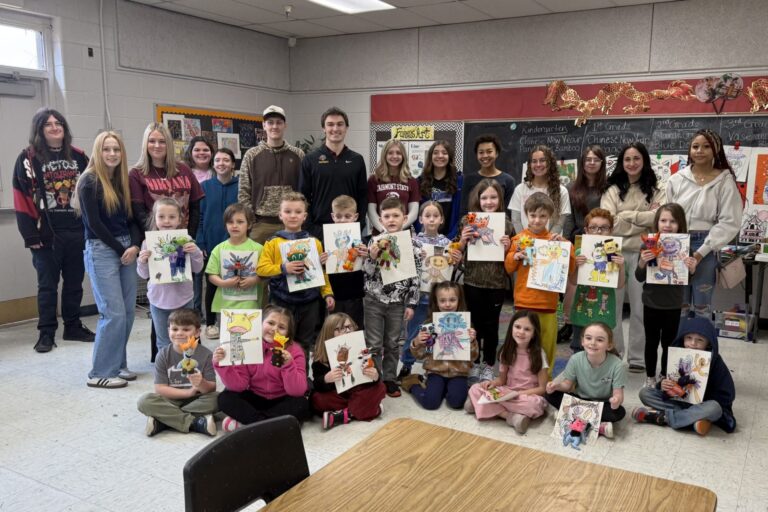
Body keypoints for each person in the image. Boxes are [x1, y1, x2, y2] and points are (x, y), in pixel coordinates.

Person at [13, 107, 95, 352]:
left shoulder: (80, 156)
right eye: (48, 124)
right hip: (45, 235)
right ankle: (46, 333)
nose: (54, 127)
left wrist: (91, 230)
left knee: (74, 284)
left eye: (58, 123)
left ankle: (73, 326)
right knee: (47, 287)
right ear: (39, 129)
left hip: (77, 232)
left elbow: (91, 194)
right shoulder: (27, 158)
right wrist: (30, 235)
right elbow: (21, 197)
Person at [75, 131, 141, 387]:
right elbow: (94, 223)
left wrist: (134, 245)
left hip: (126, 247)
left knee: (127, 312)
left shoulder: (122, 180)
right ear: (98, 152)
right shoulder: (89, 181)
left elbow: (131, 219)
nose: (112, 154)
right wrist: (121, 249)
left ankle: (117, 364)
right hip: (102, 248)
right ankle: (100, 373)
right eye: (106, 149)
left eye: (116, 149)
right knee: (113, 313)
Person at [601, 142, 666, 373]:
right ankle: (614, 352)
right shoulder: (611, 189)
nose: (632, 163)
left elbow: (659, 219)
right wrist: (643, 219)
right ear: (622, 162)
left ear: (644, 160)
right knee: (612, 307)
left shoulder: (657, 188)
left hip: (644, 253)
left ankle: (637, 357)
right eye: (627, 159)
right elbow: (608, 222)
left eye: (636, 158)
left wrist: (626, 215)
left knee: (640, 307)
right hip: (612, 251)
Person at [666, 129, 742, 321]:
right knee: (679, 305)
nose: (700, 151)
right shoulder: (676, 179)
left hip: (706, 245)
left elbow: (729, 221)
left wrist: (701, 252)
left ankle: (701, 341)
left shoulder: (724, 181)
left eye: (706, 146)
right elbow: (666, 215)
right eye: (695, 146)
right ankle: (678, 341)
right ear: (689, 150)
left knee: (702, 306)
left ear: (716, 150)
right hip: (677, 243)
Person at [256, 192, 334, 358]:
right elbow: (261, 269)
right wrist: (283, 268)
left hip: (309, 302)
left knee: (304, 343)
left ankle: (302, 373)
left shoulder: (314, 242)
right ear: (280, 215)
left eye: (298, 212)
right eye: (288, 211)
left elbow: (321, 272)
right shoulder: (273, 242)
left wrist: (327, 293)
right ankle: (278, 373)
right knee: (279, 342)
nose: (293, 216)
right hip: (281, 301)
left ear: (304, 216)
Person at [506, 193, 575, 374]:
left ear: (550, 217)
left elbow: (571, 268)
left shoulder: (555, 241)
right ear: (526, 215)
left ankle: (546, 380)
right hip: (524, 302)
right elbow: (508, 268)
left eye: (542, 216)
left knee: (547, 344)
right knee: (522, 344)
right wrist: (515, 256)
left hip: (548, 304)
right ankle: (520, 377)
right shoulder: (519, 239)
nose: (537, 220)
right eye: (533, 215)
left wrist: (567, 246)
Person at [633, 316, 735, 436]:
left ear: (708, 343)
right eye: (689, 338)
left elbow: (727, 394)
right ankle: (692, 419)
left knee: (714, 408)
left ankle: (664, 418)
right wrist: (663, 385)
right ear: (683, 338)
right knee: (645, 393)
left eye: (700, 340)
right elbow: (669, 382)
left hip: (703, 404)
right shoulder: (678, 355)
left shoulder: (716, 362)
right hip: (678, 401)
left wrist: (702, 394)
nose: (693, 343)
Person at [363, 197, 422, 397]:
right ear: (380, 220)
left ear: (404, 218)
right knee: (373, 343)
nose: (391, 219)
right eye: (387, 216)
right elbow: (367, 273)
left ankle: (389, 378)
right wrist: (371, 258)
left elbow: (416, 276)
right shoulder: (374, 241)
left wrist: (412, 303)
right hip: (374, 300)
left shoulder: (413, 245)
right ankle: (375, 378)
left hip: (398, 303)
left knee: (392, 342)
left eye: (396, 215)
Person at [214, 305, 310, 431]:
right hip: (255, 397)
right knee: (225, 398)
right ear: (259, 324)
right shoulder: (248, 345)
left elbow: (297, 391)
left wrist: (288, 365)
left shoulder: (295, 351)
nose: (274, 329)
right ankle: (271, 425)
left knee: (302, 404)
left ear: (288, 333)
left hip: (282, 399)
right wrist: (223, 364)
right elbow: (239, 386)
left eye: (281, 327)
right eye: (270, 323)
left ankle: (251, 425)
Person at [456, 180, 512, 382]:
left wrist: (507, 248)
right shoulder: (468, 221)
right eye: (484, 197)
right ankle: (474, 361)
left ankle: (488, 364)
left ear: (500, 199)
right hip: (472, 281)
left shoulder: (506, 224)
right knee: (473, 324)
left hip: (496, 283)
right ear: (477, 199)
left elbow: (510, 259)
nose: (489, 202)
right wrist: (462, 240)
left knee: (491, 326)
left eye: (493, 197)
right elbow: (456, 252)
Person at [636, 203, 697, 388]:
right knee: (651, 342)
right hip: (651, 303)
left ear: (680, 224)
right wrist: (642, 262)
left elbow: (687, 280)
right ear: (657, 222)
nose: (667, 225)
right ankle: (650, 377)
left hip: (673, 304)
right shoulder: (648, 244)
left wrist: (692, 269)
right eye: (663, 220)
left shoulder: (685, 248)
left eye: (673, 221)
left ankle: (664, 375)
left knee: (669, 343)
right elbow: (639, 277)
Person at [399, 201, 462, 380]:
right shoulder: (414, 243)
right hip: (418, 296)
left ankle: (432, 366)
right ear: (420, 219)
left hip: (440, 298)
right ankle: (407, 364)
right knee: (414, 332)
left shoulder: (448, 244)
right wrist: (414, 257)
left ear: (442, 219)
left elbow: (451, 268)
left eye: (436, 216)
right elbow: (404, 267)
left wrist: (456, 259)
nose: (432, 219)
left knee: (437, 332)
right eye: (427, 216)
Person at [137, 198, 204, 352]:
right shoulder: (148, 243)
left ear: (180, 219)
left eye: (172, 217)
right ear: (154, 218)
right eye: (161, 216)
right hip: (158, 300)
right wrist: (142, 261)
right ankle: (165, 367)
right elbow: (144, 274)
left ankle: (187, 366)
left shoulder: (186, 241)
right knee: (163, 341)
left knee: (187, 340)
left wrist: (195, 252)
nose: (166, 221)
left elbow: (197, 268)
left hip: (183, 299)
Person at [137, 309, 218, 437]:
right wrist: (188, 392)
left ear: (197, 332)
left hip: (197, 399)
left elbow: (211, 388)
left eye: (186, 329)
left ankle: (164, 420)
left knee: (219, 399)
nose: (179, 333)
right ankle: (194, 423)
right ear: (168, 331)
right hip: (170, 400)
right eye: (174, 329)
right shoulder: (163, 355)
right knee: (144, 401)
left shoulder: (207, 355)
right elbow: (160, 389)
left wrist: (201, 383)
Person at [465, 310, 549, 434]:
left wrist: (518, 394)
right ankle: (510, 416)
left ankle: (483, 406)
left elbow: (542, 389)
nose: (521, 332)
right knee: (475, 388)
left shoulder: (539, 354)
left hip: (527, 395)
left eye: (527, 329)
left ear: (534, 333)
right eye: (517, 327)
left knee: (533, 405)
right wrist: (492, 383)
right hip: (507, 392)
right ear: (511, 328)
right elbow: (501, 380)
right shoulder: (507, 350)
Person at [400, 282, 478, 410]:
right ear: (436, 302)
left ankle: (446, 390)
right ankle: (412, 383)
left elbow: (474, 356)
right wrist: (417, 342)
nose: (447, 304)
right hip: (435, 372)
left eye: (452, 300)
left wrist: (472, 341)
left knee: (457, 402)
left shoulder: (465, 324)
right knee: (430, 403)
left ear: (459, 301)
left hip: (459, 372)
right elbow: (421, 355)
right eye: (442, 300)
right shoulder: (430, 325)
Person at [559, 145, 608, 344]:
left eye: (596, 159)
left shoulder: (608, 187)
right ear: (582, 162)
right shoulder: (572, 187)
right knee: (573, 286)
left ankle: (593, 329)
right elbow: (569, 217)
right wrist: (566, 241)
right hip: (577, 238)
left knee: (594, 286)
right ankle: (571, 325)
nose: (591, 163)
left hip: (600, 241)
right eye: (588, 159)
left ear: (602, 163)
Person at [546, 322, 627, 438]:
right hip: (580, 400)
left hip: (601, 404)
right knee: (550, 394)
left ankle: (570, 417)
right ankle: (597, 425)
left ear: (609, 345)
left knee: (619, 412)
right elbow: (567, 385)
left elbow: (618, 394)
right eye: (588, 338)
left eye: (599, 340)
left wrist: (615, 401)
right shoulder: (575, 359)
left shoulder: (618, 365)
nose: (593, 343)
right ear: (582, 341)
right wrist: (556, 386)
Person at [238, 105, 304, 244]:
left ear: (285, 125)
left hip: (291, 224)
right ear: (264, 125)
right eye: (270, 122)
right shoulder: (251, 155)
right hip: (261, 226)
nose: (275, 126)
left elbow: (305, 189)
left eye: (279, 122)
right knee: (258, 259)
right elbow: (243, 191)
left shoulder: (298, 155)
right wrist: (252, 220)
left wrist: (299, 218)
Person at [300, 106, 367, 239]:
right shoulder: (310, 159)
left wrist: (358, 226)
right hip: (319, 230)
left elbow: (363, 196)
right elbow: (303, 196)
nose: (335, 129)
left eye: (340, 124)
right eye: (330, 124)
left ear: (346, 128)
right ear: (323, 128)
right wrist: (310, 227)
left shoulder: (357, 159)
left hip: (350, 230)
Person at [310, 313, 386, 430]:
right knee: (316, 399)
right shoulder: (321, 359)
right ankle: (370, 409)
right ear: (329, 332)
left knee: (380, 387)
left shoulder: (362, 349)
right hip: (339, 395)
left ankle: (345, 415)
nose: (346, 331)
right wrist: (326, 379)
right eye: (338, 329)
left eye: (349, 327)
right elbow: (317, 384)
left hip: (359, 391)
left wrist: (375, 376)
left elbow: (375, 377)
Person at [129, 122, 204, 235]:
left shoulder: (184, 169)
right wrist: (158, 238)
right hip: (153, 238)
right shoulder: (136, 174)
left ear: (168, 144)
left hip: (183, 238)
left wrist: (190, 236)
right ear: (145, 144)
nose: (157, 145)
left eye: (162, 141)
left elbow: (195, 207)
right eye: (152, 141)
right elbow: (139, 213)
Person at [568, 208, 626, 355]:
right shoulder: (580, 252)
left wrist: (621, 266)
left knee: (601, 350)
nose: (598, 232)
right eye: (593, 227)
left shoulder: (615, 254)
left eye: (604, 228)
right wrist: (576, 266)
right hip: (581, 312)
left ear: (611, 231)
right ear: (586, 230)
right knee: (579, 348)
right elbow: (573, 281)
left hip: (604, 314)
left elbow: (620, 285)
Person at [197, 148, 239, 340]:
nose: (221, 163)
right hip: (211, 243)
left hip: (235, 244)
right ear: (213, 164)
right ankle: (211, 323)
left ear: (233, 164)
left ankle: (235, 322)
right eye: (218, 160)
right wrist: (200, 242)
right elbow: (199, 217)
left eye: (226, 160)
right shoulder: (204, 187)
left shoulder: (241, 186)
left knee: (237, 282)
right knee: (212, 284)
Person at [205, 203, 263, 317]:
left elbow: (266, 274)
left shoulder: (259, 249)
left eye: (240, 222)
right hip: (225, 307)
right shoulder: (218, 249)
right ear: (225, 225)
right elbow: (211, 275)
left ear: (249, 225)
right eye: (230, 222)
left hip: (250, 306)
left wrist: (255, 280)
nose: (234, 226)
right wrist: (223, 283)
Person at [326, 195, 368, 329]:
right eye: (338, 216)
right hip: (334, 293)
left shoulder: (362, 241)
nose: (342, 220)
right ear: (332, 217)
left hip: (355, 293)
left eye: (347, 216)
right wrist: (322, 261)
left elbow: (368, 268)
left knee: (354, 328)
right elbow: (322, 268)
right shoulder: (326, 240)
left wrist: (366, 257)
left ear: (355, 217)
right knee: (335, 329)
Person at [509, 145, 571, 235]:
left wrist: (546, 241)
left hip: (550, 242)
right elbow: (516, 220)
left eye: (542, 160)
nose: (538, 164)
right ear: (530, 165)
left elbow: (559, 223)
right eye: (534, 161)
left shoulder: (562, 191)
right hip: (524, 241)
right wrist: (524, 240)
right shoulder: (520, 189)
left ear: (550, 163)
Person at [184, 135, 215, 318]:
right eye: (197, 150)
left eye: (205, 150)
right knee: (194, 273)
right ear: (191, 152)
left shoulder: (216, 172)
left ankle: (212, 313)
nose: (201, 153)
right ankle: (195, 312)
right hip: (190, 228)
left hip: (209, 228)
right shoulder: (184, 173)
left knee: (211, 273)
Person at [367, 139, 419, 234]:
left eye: (398, 153)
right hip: (380, 233)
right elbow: (371, 211)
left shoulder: (411, 181)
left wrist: (398, 229)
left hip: (403, 233)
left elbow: (414, 213)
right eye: (390, 153)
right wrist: (383, 230)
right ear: (384, 155)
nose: (394, 156)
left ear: (403, 156)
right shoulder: (373, 180)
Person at [460, 134, 515, 217]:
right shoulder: (469, 180)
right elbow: (464, 211)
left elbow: (509, 213)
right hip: (474, 224)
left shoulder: (508, 180)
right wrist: (469, 224)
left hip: (500, 224)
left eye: (489, 151)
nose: (485, 155)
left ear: (496, 153)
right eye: (481, 152)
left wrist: (501, 224)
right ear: (477, 155)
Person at [417, 140, 463, 238]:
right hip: (426, 238)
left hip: (451, 238)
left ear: (449, 157)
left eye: (444, 153)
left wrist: (451, 237)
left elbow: (461, 212)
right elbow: (418, 214)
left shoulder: (459, 181)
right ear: (430, 156)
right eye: (436, 153)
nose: (440, 156)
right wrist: (425, 236)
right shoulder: (420, 182)